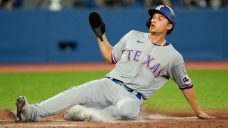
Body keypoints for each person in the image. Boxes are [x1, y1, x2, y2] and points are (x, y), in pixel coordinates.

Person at [16, 5, 213, 122]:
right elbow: (110, 56)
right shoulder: (133, 35)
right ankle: (31, 112)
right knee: (75, 92)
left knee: (126, 110)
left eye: (160, 18)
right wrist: (100, 36)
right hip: (108, 84)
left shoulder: (173, 57)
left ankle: (86, 114)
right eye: (153, 16)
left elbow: (186, 86)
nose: (154, 19)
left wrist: (199, 112)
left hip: (133, 97)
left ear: (169, 26)